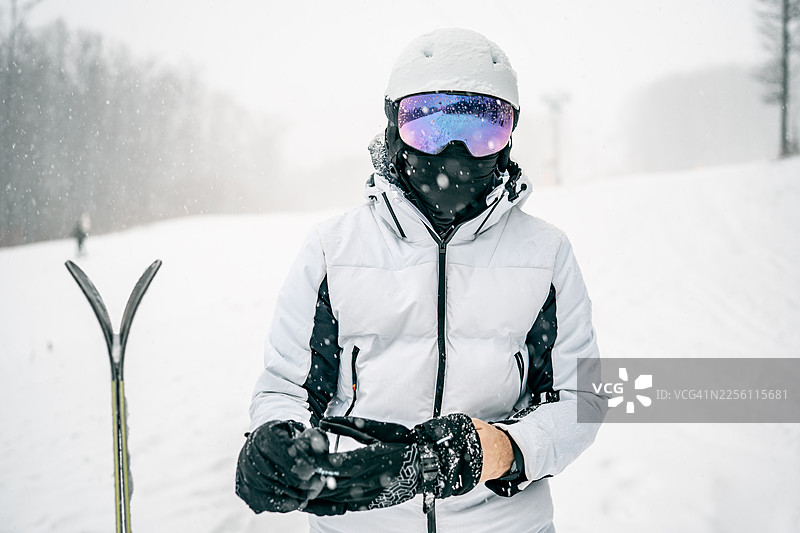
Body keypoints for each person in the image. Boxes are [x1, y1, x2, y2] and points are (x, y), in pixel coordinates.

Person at [235, 28, 605, 533]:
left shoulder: (545, 255)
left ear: (510, 137)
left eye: (482, 131)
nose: (454, 151)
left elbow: (578, 399)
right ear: (394, 127)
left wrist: (497, 450)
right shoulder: (334, 250)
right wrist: (276, 440)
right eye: (429, 127)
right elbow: (287, 387)